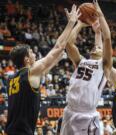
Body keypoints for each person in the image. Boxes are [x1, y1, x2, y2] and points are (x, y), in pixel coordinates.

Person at [5, 5, 81, 135]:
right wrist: (71, 23)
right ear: (27, 60)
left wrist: (55, 60)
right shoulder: (31, 72)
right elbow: (58, 46)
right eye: (31, 52)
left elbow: (43, 72)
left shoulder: (12, 78)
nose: (34, 53)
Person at [60, 0, 112, 135]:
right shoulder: (81, 61)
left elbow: (107, 39)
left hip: (87, 115)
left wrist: (100, 15)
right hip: (70, 111)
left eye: (99, 48)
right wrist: (79, 24)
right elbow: (69, 44)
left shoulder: (104, 65)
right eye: (95, 46)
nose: (96, 47)